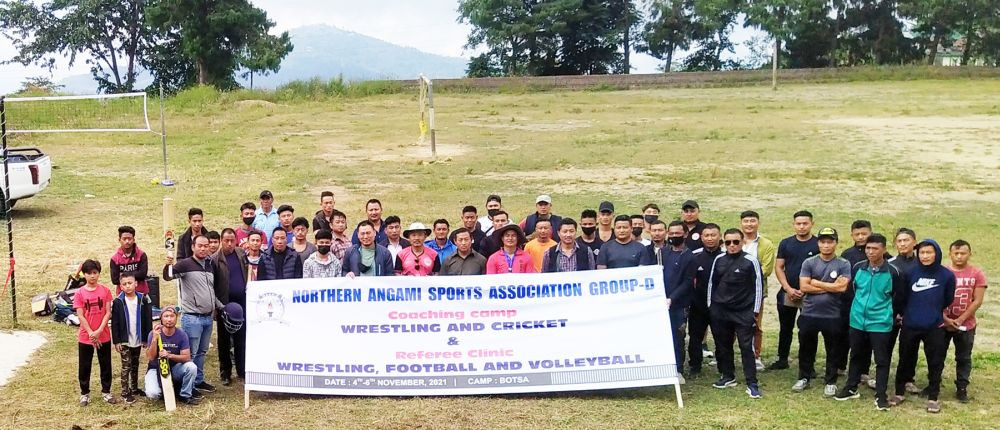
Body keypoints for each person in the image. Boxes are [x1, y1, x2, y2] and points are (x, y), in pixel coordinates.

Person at [834, 233, 905, 411]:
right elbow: (853, 290)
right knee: (856, 354)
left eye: (875, 248)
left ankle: (881, 395)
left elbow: (898, 298)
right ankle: (851, 387)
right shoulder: (858, 267)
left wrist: (889, 314)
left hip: (880, 322)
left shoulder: (893, 272)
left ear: (884, 249)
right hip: (857, 320)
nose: (871, 252)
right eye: (868, 248)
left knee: (881, 359)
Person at [891, 239, 955, 413]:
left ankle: (933, 397)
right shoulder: (910, 272)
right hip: (910, 324)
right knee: (904, 359)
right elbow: (901, 298)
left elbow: (948, 298)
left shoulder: (946, 275)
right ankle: (899, 392)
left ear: (937, 254)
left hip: (934, 325)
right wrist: (905, 315)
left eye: (929, 252)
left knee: (935, 362)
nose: (925, 256)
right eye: (922, 253)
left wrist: (934, 312)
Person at [793, 227, 851, 396]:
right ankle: (804, 377)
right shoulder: (809, 262)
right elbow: (804, 286)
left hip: (832, 314)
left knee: (833, 349)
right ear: (818, 243)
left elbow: (842, 288)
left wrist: (817, 283)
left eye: (830, 241)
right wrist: (831, 287)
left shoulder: (843, 264)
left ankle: (830, 380)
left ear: (836, 243)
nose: (826, 245)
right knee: (806, 347)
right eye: (823, 242)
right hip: (809, 312)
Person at [163, 234, 224, 394]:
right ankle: (189, 384)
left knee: (202, 352)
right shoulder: (185, 264)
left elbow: (210, 291)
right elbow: (168, 276)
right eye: (200, 246)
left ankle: (198, 380)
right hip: (192, 317)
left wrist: (221, 307)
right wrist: (168, 265)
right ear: (193, 247)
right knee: (192, 353)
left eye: (206, 245)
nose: (203, 248)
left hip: (208, 318)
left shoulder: (210, 265)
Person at [707, 229, 764, 399]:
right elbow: (712, 283)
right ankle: (728, 376)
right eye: (728, 242)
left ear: (742, 243)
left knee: (746, 347)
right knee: (723, 345)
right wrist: (711, 306)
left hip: (743, 312)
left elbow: (758, 286)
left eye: (736, 242)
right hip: (720, 311)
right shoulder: (719, 259)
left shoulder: (750, 261)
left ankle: (752, 384)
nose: (732, 245)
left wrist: (754, 311)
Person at [768, 210, 818, 371]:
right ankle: (782, 359)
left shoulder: (818, 244)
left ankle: (808, 364)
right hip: (787, 293)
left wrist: (807, 289)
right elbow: (779, 267)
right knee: (785, 327)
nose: (802, 227)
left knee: (809, 330)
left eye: (805, 223)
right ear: (793, 224)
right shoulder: (786, 243)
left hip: (810, 294)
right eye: (798, 224)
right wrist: (787, 288)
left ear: (812, 224)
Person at [943, 239, 988, 404]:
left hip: (966, 324)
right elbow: (935, 298)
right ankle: (933, 384)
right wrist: (946, 319)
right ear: (950, 254)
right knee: (937, 355)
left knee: (963, 357)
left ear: (970, 254)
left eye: (963, 253)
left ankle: (961, 387)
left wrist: (961, 318)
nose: (959, 256)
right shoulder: (943, 272)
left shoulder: (977, 273)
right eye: (956, 253)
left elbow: (977, 300)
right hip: (943, 323)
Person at [680, 223, 723, 377]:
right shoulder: (694, 255)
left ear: (720, 236)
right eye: (706, 235)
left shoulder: (726, 255)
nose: (710, 239)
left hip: (720, 305)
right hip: (698, 305)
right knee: (695, 337)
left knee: (721, 337)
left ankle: (723, 367)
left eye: (713, 235)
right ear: (702, 238)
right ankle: (695, 367)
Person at [75, 259, 115, 406]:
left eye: (95, 273)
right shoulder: (79, 293)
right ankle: (84, 393)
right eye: (89, 273)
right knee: (85, 365)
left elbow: (108, 312)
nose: (92, 276)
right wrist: (91, 332)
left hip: (103, 334)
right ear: (84, 275)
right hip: (86, 337)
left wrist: (98, 331)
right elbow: (80, 315)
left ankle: (106, 392)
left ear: (98, 274)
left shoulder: (105, 291)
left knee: (105, 364)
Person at [656, 220, 694, 374]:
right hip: (659, 302)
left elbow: (687, 282)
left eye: (677, 234)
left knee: (677, 336)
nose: (673, 236)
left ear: (685, 234)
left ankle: (678, 369)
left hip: (679, 305)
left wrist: (672, 298)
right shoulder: (662, 253)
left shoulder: (689, 256)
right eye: (671, 233)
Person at [740, 211, 776, 370]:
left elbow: (766, 270)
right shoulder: (733, 240)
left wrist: (740, 275)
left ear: (758, 223)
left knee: (755, 324)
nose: (749, 224)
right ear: (741, 223)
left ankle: (756, 356)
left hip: (756, 291)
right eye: (746, 221)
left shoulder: (766, 244)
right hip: (733, 291)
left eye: (752, 221)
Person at [110, 272, 153, 404]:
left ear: (136, 284)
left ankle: (134, 388)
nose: (128, 286)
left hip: (138, 338)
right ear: (121, 286)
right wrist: (116, 341)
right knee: (126, 365)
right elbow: (115, 323)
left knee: (135, 364)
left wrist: (146, 338)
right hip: (124, 340)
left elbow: (147, 320)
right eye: (124, 284)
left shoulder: (143, 299)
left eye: (130, 283)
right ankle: (125, 392)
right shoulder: (118, 302)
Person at [143, 306, 199, 405]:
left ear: (176, 318)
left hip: (174, 367)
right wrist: (155, 339)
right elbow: (151, 357)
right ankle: (167, 389)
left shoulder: (181, 334)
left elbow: (186, 357)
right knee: (153, 394)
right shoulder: (154, 333)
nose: (169, 319)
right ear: (161, 318)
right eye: (166, 316)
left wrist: (170, 356)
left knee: (192, 367)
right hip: (155, 368)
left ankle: (185, 395)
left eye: (172, 316)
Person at [214, 228, 248, 385]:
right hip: (225, 305)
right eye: (226, 240)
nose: (229, 244)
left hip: (241, 303)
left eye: (232, 240)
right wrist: (219, 306)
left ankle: (242, 369)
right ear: (221, 241)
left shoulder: (241, 254)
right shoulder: (215, 259)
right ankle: (225, 372)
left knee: (241, 338)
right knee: (224, 340)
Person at [888, 227, 919, 394]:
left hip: (912, 314)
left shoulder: (921, 264)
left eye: (906, 240)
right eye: (899, 241)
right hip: (891, 314)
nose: (902, 244)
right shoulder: (890, 264)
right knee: (886, 346)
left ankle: (907, 379)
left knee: (909, 348)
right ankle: (882, 377)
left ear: (914, 242)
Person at [110, 225, 149, 295]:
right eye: (124, 239)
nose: (127, 241)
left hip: (141, 294)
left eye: (129, 239)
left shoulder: (142, 255)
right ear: (119, 240)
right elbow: (115, 280)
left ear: (134, 240)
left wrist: (122, 275)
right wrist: (135, 274)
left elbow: (142, 275)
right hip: (122, 295)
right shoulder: (115, 259)